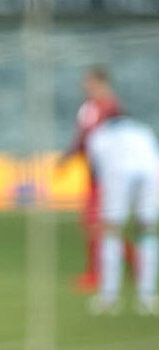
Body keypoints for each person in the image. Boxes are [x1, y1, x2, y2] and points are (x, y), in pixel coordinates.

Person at [57, 66, 123, 293]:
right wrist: (69, 157)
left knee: (96, 222)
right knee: (97, 222)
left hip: (109, 172)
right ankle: (132, 263)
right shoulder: (90, 108)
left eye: (90, 82)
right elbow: (82, 137)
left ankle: (98, 274)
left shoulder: (112, 108)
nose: (85, 86)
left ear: (101, 82)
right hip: (95, 172)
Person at [86, 112, 159, 315]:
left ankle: (109, 297)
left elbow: (95, 171)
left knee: (111, 232)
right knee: (147, 232)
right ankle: (147, 296)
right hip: (150, 174)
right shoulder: (143, 131)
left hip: (118, 175)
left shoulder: (99, 135)